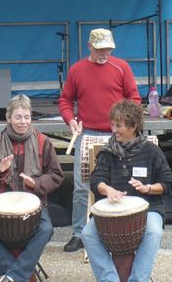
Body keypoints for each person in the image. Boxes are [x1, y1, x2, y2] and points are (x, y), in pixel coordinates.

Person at [79, 99, 172, 282]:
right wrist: (108, 189)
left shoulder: (151, 151)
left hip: (149, 208)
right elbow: (96, 181)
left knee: (154, 231)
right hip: (114, 210)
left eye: (118, 125)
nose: (114, 130)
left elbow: (167, 184)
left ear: (133, 126)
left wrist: (147, 188)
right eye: (112, 124)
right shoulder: (108, 152)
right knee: (87, 233)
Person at [58, 28, 140, 252]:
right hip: (88, 133)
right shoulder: (77, 70)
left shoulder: (121, 67)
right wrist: (70, 120)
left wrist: (125, 123)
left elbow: (134, 98)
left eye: (109, 49)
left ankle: (121, 229)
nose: (106, 53)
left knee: (121, 182)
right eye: (101, 49)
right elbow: (65, 101)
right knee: (82, 185)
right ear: (90, 46)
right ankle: (79, 233)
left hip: (118, 135)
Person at [0, 95, 64, 282]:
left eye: (26, 117)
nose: (23, 121)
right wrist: (0, 169)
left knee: (46, 229)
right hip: (4, 202)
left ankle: (10, 277)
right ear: (8, 118)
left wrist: (38, 184)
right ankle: (19, 277)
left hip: (35, 203)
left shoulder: (43, 142)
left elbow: (56, 175)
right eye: (18, 117)